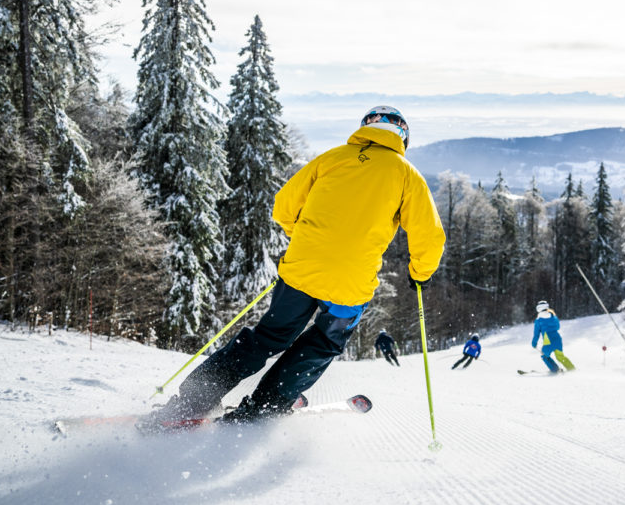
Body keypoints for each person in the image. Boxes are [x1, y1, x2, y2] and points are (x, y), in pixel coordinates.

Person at [147, 106, 445, 426]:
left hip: (301, 271)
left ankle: (191, 401)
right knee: (324, 343)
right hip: (349, 285)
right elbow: (429, 237)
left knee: (266, 338)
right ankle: (267, 404)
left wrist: (305, 239)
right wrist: (419, 275)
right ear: (404, 137)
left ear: (365, 128)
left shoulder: (330, 158)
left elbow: (284, 206)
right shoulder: (407, 175)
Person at [531, 300, 575, 373]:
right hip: (557, 339)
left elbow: (536, 334)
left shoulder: (538, 320)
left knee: (544, 355)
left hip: (548, 341)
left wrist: (534, 343)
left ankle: (555, 369)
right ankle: (571, 368)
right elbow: (558, 327)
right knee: (560, 356)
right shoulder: (553, 316)